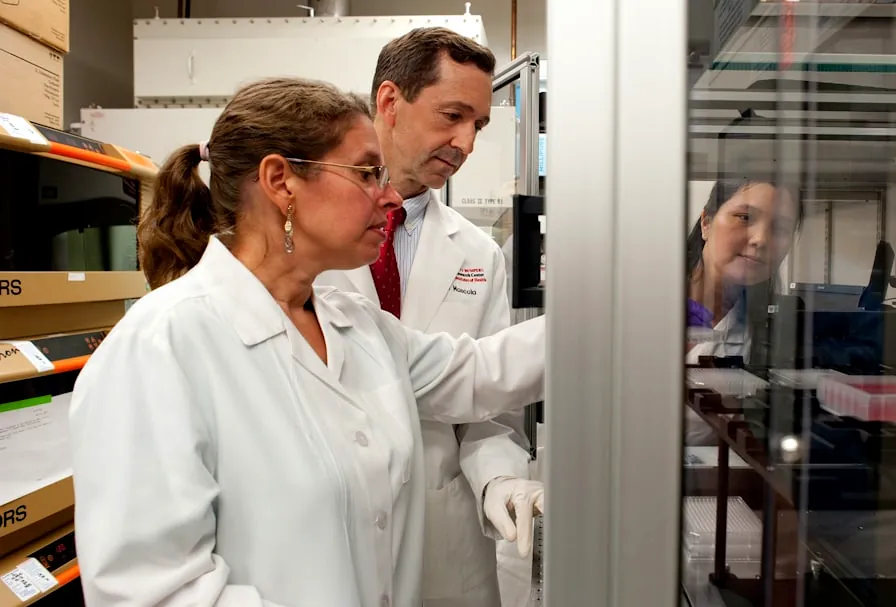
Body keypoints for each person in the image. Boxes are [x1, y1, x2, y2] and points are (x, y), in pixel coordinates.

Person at [68, 77, 545, 607]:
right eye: (366, 173)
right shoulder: (160, 349)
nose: (390, 196)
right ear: (281, 182)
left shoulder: (356, 325)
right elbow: (153, 592)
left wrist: (606, 310)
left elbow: (478, 371)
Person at [316, 28, 538, 607]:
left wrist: (500, 478)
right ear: (390, 102)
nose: (466, 143)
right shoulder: (309, 243)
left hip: (445, 538)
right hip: (331, 532)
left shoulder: (478, 254)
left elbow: (489, 404)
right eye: (453, 115)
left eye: (478, 125)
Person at [684, 178, 801, 445]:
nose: (760, 239)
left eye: (780, 228)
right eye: (745, 217)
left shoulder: (769, 336)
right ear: (706, 223)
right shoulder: (642, 302)